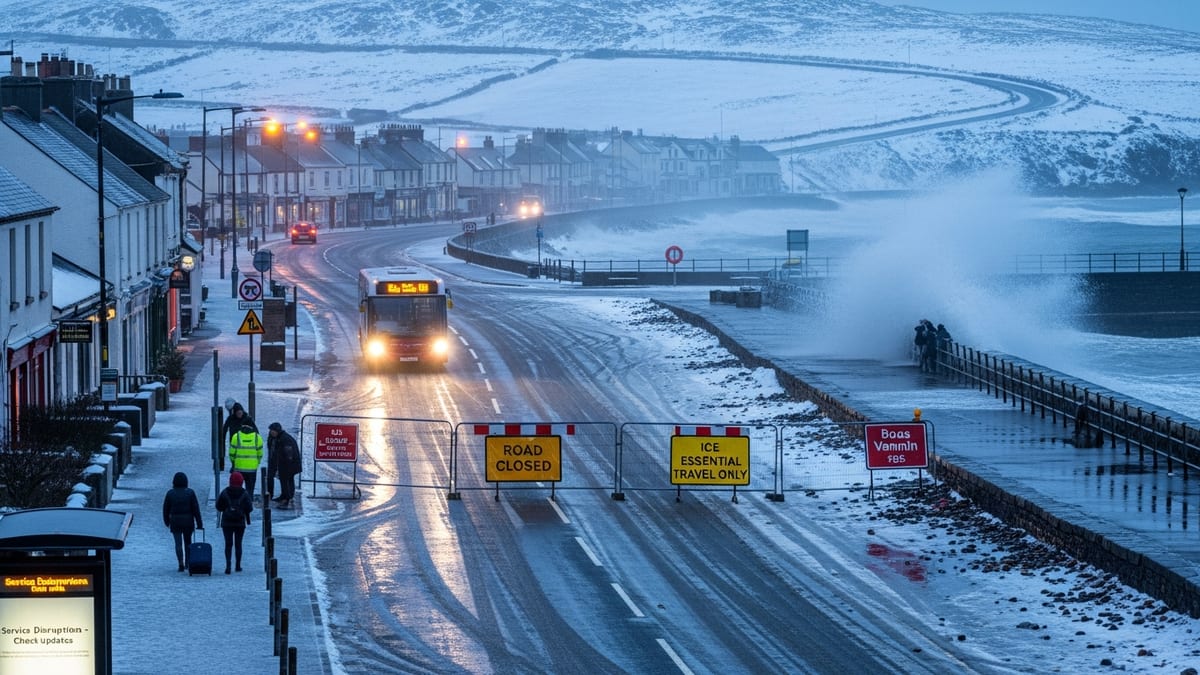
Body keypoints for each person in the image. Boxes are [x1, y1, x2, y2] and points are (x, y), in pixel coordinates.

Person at [161, 471, 203, 571]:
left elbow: (165, 509)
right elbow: (196, 509)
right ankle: (188, 562)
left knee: (178, 544)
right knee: (188, 542)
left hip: (175, 522)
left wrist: (166, 521)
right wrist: (199, 523)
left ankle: (180, 563)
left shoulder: (170, 493)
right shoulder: (190, 493)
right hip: (188, 522)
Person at [215, 471, 253, 574]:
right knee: (238, 544)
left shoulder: (225, 492)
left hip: (227, 522)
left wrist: (227, 508)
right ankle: (238, 565)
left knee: (228, 544)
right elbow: (250, 508)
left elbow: (218, 506)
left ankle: (228, 565)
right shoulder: (244, 493)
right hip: (240, 522)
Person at [268, 422, 302, 509]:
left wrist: (287, 466)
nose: (271, 432)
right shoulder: (277, 438)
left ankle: (287, 499)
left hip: (289, 464)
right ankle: (284, 496)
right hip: (285, 463)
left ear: (278, 431)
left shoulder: (285, 439)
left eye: (273, 431)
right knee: (284, 480)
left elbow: (289, 454)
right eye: (271, 431)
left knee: (287, 480)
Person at [229, 423, 264, 501]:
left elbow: (231, 453)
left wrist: (233, 462)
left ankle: (238, 503)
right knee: (250, 489)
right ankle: (249, 502)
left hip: (239, 468)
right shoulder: (257, 437)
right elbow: (260, 454)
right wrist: (257, 462)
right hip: (252, 469)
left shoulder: (236, 437)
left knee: (237, 489)